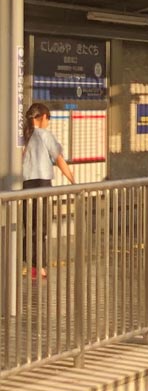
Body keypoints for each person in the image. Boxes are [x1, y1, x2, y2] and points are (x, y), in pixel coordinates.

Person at [21, 103, 75, 279]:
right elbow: (59, 160)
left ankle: (29, 264)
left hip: (25, 185)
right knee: (41, 226)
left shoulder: (24, 136)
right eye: (48, 119)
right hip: (42, 183)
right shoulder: (45, 135)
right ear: (43, 117)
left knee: (29, 225)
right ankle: (38, 267)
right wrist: (73, 181)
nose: (48, 123)